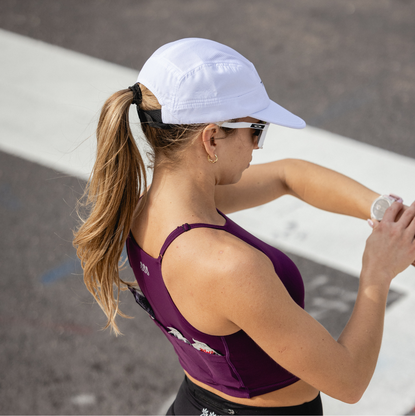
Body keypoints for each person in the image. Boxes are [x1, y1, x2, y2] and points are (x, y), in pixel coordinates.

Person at [73, 38, 415, 415]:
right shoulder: (226, 266)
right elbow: (348, 381)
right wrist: (378, 271)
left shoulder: (147, 208)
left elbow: (289, 175)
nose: (258, 146)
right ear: (212, 137)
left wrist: (385, 212)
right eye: (257, 129)